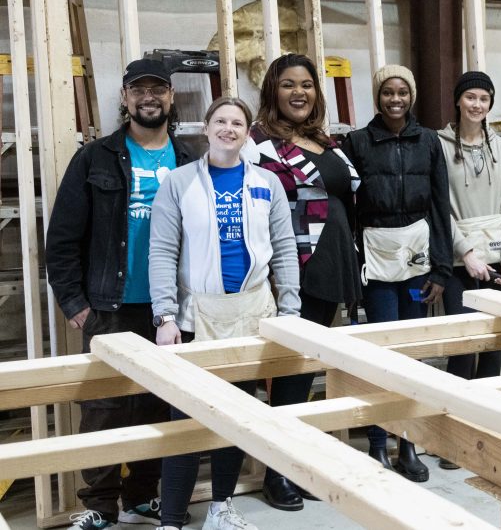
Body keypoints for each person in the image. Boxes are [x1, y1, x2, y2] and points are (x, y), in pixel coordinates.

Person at [46, 58, 195, 530]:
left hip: (168, 308)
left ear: (171, 98)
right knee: (104, 408)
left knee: (158, 402)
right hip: (108, 306)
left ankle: (141, 496)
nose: (148, 97)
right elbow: (63, 238)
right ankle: (99, 503)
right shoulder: (96, 157)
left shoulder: (191, 160)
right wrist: (76, 305)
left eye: (158, 90)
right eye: (138, 90)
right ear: (125, 98)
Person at [150, 97, 300, 530]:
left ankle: (220, 507)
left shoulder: (267, 183)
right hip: (197, 316)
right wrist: (164, 317)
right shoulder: (179, 183)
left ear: (248, 131)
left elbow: (285, 247)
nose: (228, 128)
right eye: (221, 121)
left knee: (236, 415)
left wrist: (289, 309)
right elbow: (161, 251)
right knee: (186, 420)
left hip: (251, 312)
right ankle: (172, 520)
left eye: (237, 122)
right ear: (207, 127)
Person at [243, 53, 360, 510]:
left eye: (307, 85)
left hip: (332, 264)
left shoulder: (324, 141)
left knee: (309, 371)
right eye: (289, 84)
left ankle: (300, 464)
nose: (299, 92)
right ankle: (277, 473)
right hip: (293, 267)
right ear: (273, 90)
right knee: (288, 376)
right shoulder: (258, 144)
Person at [342, 65, 452, 482]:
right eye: (388, 92)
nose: (395, 100)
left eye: (402, 92)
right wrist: (354, 270)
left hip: (417, 261)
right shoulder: (357, 142)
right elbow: (350, 211)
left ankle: (407, 443)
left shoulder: (428, 142)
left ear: (412, 96)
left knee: (411, 356)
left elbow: (441, 205)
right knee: (379, 354)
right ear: (377, 96)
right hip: (375, 258)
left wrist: (440, 267)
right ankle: (376, 443)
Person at [436, 71, 501, 466]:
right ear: (458, 101)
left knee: (494, 346)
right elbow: (439, 205)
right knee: (463, 346)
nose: (476, 105)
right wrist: (465, 252)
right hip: (461, 264)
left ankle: (487, 432)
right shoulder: (437, 146)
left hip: (498, 262)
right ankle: (454, 435)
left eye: (483, 99)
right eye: (469, 97)